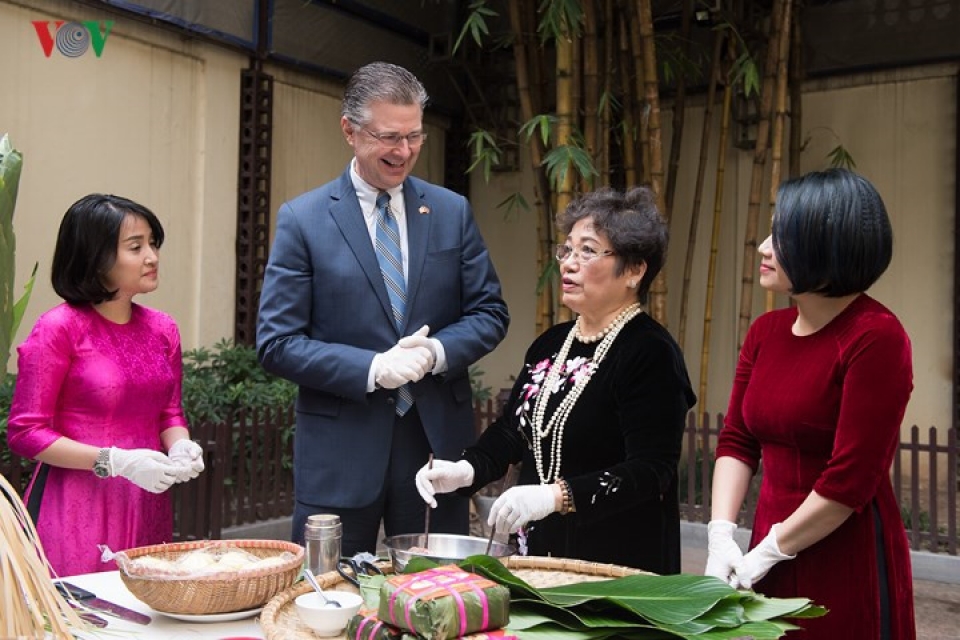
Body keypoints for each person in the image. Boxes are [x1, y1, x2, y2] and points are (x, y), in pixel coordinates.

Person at [256, 61, 509, 557]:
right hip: (340, 452)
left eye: (415, 136)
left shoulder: (450, 211)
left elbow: (490, 312)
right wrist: (372, 367)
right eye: (389, 137)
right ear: (349, 130)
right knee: (327, 596)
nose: (404, 151)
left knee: (437, 599)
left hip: (434, 447)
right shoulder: (303, 220)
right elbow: (277, 343)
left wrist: (437, 350)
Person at [415, 186, 696, 573]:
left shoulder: (651, 352)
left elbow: (651, 470)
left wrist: (555, 496)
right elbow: (514, 431)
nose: (568, 263)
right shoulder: (551, 344)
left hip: (617, 560)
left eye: (588, 250)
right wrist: (466, 470)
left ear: (634, 270)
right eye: (566, 250)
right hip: (542, 550)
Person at [704, 168, 915, 638]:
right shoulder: (766, 333)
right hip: (768, 538)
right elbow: (738, 441)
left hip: (842, 547)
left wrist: (769, 550)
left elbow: (849, 481)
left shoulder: (877, 337)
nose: (762, 246)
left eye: (780, 235)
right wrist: (721, 534)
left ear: (825, 243)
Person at [6, 194, 204, 576]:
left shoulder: (163, 329)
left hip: (147, 500)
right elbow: (26, 432)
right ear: (95, 257)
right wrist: (113, 461)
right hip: (76, 507)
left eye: (153, 243)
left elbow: (169, 411)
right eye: (136, 247)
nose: (152, 256)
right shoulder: (57, 329)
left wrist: (181, 445)